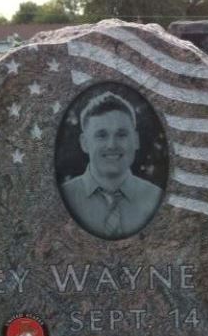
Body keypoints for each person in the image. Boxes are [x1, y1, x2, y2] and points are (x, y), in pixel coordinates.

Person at [60, 92, 162, 240]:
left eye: (121, 135)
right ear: (84, 143)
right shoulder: (65, 197)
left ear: (136, 140)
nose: (112, 145)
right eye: (101, 135)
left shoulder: (155, 198)